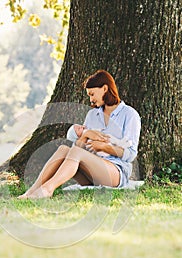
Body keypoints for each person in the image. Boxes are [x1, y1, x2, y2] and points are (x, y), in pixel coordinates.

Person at [18, 69, 141, 199]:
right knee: (63, 149)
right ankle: (30, 192)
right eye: (89, 95)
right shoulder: (92, 115)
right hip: (90, 174)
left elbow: (131, 154)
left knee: (76, 152)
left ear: (105, 88)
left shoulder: (129, 114)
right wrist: (86, 135)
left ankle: (48, 189)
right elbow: (77, 149)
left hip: (115, 173)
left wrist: (104, 147)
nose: (91, 99)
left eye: (92, 94)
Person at [66, 123, 132, 157]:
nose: (80, 127)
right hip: (101, 150)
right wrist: (103, 139)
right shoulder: (84, 135)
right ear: (76, 136)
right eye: (78, 129)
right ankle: (121, 144)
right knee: (110, 139)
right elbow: (95, 136)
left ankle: (120, 144)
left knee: (110, 138)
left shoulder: (85, 133)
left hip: (103, 149)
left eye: (79, 125)